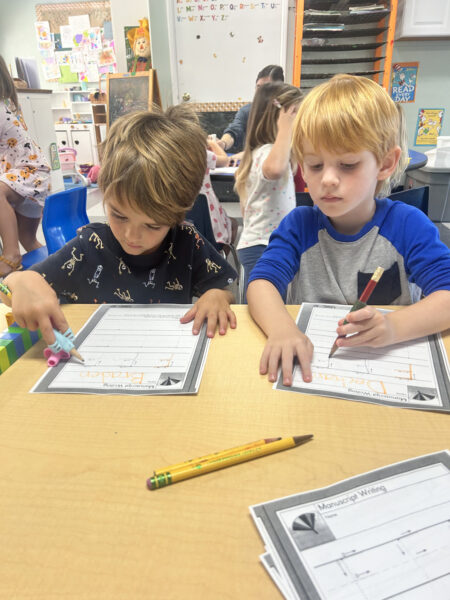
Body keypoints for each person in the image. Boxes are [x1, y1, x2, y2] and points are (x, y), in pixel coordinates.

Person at [247, 73, 450, 387]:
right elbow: (260, 284)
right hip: (313, 376)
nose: (328, 179)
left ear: (385, 164)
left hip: (389, 375)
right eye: (315, 165)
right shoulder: (298, 226)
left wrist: (393, 327)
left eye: (348, 164)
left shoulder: (408, 226)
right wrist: (282, 329)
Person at [1, 106, 238, 349]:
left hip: (164, 354)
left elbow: (226, 283)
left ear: (178, 215)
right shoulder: (88, 246)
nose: (131, 235)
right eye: (119, 215)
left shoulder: (187, 242)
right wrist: (20, 281)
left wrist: (217, 295)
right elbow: (8, 288)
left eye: (153, 225)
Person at [235, 82, 302, 298]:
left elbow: (246, 208)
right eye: (296, 115)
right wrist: (286, 128)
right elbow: (275, 169)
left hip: (261, 243)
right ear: (279, 118)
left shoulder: (257, 154)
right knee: (263, 307)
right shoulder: (267, 153)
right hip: (263, 245)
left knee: (267, 305)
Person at [0, 54, 50, 276]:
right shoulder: (7, 104)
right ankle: (51, 273)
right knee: (28, 239)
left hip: (30, 173)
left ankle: (11, 254)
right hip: (34, 174)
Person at [217, 65, 284, 155]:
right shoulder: (246, 111)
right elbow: (234, 131)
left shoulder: (286, 113)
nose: (260, 92)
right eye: (258, 87)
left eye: (266, 88)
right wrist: (223, 143)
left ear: (278, 90)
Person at [198, 135, 238, 246]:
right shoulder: (200, 154)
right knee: (233, 224)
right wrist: (212, 143)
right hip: (209, 221)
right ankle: (219, 255)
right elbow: (224, 160)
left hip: (179, 225)